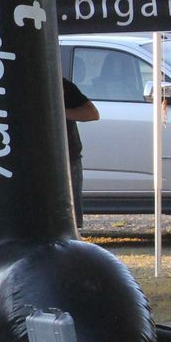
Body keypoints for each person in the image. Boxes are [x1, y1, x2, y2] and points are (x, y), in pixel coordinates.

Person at [63, 76, 99, 228]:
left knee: (71, 217)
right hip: (32, 160)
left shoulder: (61, 85)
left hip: (67, 158)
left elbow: (92, 113)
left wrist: (57, 112)